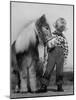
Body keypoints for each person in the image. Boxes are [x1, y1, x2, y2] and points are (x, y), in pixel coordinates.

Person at [37, 17, 68, 92]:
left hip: (61, 55)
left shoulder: (64, 38)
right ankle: (44, 86)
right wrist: (46, 54)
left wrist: (65, 57)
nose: (61, 30)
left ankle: (59, 86)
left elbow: (66, 48)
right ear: (56, 26)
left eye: (62, 28)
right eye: (59, 27)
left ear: (63, 29)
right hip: (52, 54)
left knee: (60, 71)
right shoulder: (51, 35)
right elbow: (47, 44)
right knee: (48, 70)